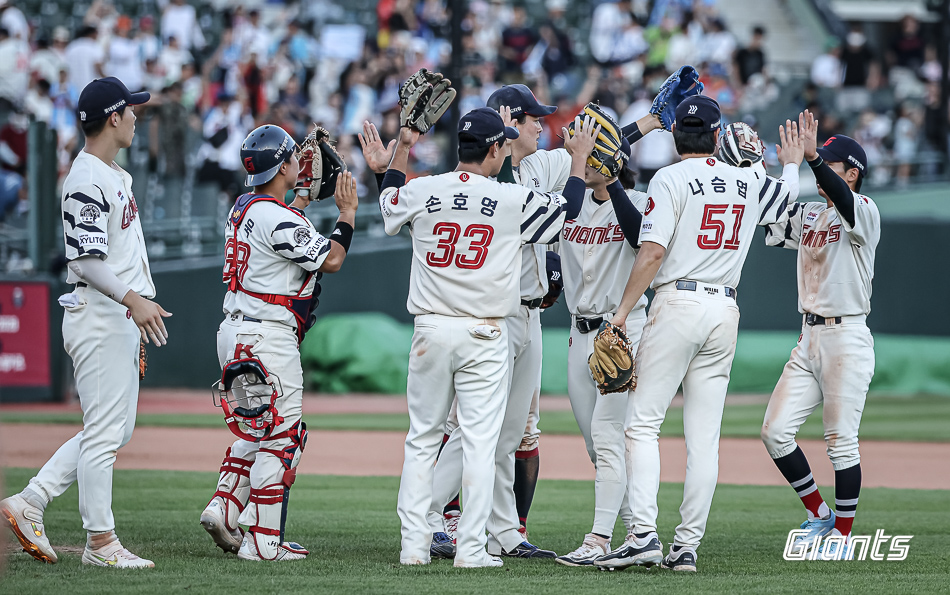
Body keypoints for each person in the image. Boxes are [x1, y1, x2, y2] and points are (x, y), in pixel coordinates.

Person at [595, 96, 804, 572]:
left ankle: (643, 535)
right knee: (703, 439)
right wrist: (790, 165)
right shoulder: (751, 180)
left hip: (678, 302)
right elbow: (785, 197)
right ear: (715, 136)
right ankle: (686, 546)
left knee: (642, 424)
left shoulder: (669, 178)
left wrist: (620, 315)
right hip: (724, 308)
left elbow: (650, 253)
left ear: (674, 136)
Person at [381, 107, 594, 568]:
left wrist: (404, 143)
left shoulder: (425, 189)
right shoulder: (509, 198)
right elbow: (569, 209)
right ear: (496, 149)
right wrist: (577, 160)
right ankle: (471, 549)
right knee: (479, 441)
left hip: (430, 328)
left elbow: (388, 197)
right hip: (484, 331)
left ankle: (413, 546)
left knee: (422, 439)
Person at [1, 77, 169, 568]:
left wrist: (133, 303)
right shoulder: (86, 178)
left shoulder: (109, 173)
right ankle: (101, 543)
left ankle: (31, 501)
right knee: (103, 433)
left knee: (114, 430)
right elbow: (86, 261)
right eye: (131, 110)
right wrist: (133, 299)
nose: (138, 116)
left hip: (113, 313)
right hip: (100, 313)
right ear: (113, 117)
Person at [199, 125, 357, 561]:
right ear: (282, 165)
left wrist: (301, 196)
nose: (299, 161)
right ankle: (264, 542)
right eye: (292, 157)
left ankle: (224, 507)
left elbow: (279, 224)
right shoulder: (276, 216)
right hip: (266, 336)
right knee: (283, 435)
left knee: (259, 426)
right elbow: (334, 258)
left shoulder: (243, 206)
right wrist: (347, 213)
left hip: (234, 331)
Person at [760, 112, 879, 559]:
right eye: (821, 161)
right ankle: (819, 514)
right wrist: (765, 166)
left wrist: (811, 162)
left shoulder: (865, 212)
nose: (821, 168)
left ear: (852, 174)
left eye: (830, 164)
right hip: (807, 337)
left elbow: (845, 203)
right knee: (774, 432)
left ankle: (844, 539)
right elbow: (768, 216)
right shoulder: (812, 212)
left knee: (840, 440)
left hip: (846, 337)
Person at [554, 133, 652, 567]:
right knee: (598, 446)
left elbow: (639, 238)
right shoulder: (569, 201)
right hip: (580, 333)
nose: (583, 160)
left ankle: (599, 539)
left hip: (621, 329)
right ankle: (639, 534)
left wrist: (612, 181)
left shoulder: (639, 200)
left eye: (592, 154)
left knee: (609, 437)